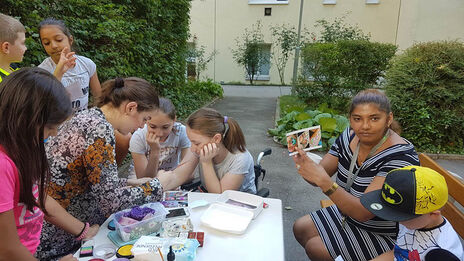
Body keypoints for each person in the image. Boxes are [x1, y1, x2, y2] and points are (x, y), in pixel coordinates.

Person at [37, 77, 172, 260]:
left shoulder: (88, 117)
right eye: (145, 119)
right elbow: (110, 201)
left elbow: (93, 182)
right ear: (130, 108)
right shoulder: (100, 129)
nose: (142, 126)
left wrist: (129, 182)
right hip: (62, 241)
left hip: (55, 230)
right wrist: (158, 185)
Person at [292, 89, 420, 260]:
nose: (365, 126)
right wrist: (305, 165)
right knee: (300, 227)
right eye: (357, 119)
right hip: (347, 212)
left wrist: (324, 182)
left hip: (383, 231)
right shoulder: (348, 136)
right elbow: (320, 176)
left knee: (316, 247)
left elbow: (363, 212)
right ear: (350, 119)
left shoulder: (400, 157)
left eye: (374, 118)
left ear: (388, 119)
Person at [0, 68, 99, 261]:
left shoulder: (22, 149)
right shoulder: (3, 165)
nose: (53, 134)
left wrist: (83, 231)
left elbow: (38, 197)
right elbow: (7, 249)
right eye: (50, 127)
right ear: (26, 120)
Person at [360, 166, 464, 261]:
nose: (397, 220)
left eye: (403, 217)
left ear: (433, 213)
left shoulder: (441, 253)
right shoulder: (414, 222)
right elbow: (396, 253)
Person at [185, 108, 256, 194]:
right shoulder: (201, 149)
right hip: (209, 198)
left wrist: (206, 162)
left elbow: (219, 195)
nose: (192, 149)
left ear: (216, 139)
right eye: (190, 141)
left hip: (240, 203)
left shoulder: (240, 159)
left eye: (196, 143)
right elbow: (179, 175)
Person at [38, 17, 101, 113]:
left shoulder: (87, 64)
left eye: (59, 40)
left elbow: (98, 97)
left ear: (70, 40)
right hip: (57, 125)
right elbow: (43, 105)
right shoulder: (41, 71)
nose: (53, 46)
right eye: (47, 43)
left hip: (85, 121)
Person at [130, 97, 196, 179]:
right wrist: (154, 151)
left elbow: (189, 173)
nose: (159, 134)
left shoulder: (182, 132)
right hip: (141, 183)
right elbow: (144, 179)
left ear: (174, 120)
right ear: (146, 120)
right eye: (153, 127)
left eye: (165, 127)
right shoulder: (139, 137)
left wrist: (172, 179)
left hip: (172, 179)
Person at [0, 13, 26, 82]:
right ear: (6, 47)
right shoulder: (4, 82)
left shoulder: (14, 69)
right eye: (23, 43)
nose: (26, 48)